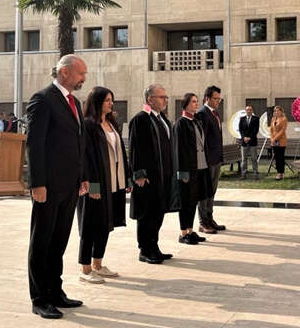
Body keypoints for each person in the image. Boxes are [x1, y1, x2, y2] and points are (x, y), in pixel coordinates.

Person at [26, 55, 89, 319]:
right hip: (48, 186)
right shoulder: (42, 99)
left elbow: (78, 143)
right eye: (80, 73)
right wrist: (37, 183)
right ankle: (40, 298)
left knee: (59, 241)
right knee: (42, 241)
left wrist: (82, 176)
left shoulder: (74, 102)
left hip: (70, 185)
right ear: (64, 72)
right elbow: (34, 145)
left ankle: (55, 291)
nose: (84, 78)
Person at [77, 87, 132, 284]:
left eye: (111, 100)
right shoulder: (88, 125)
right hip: (96, 183)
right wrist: (92, 185)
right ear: (97, 102)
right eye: (107, 100)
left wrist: (126, 178)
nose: (111, 103)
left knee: (105, 224)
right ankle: (85, 269)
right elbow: (85, 157)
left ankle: (98, 265)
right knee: (90, 225)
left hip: (113, 181)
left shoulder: (111, 123)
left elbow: (120, 152)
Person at [129, 83, 179, 264]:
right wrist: (139, 175)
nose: (165, 100)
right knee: (146, 214)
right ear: (150, 99)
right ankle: (144, 250)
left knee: (158, 212)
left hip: (163, 176)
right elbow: (135, 149)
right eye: (161, 97)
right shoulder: (141, 119)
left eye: (165, 97)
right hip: (148, 178)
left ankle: (154, 246)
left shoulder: (162, 119)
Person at [173, 93, 213, 245]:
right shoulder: (181, 123)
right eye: (194, 102)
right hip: (187, 170)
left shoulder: (196, 121)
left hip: (200, 167)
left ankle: (190, 230)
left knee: (194, 200)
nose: (197, 104)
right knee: (186, 201)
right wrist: (182, 172)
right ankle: (183, 233)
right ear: (186, 104)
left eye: (197, 101)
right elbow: (179, 149)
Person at [196, 85, 226, 234]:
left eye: (219, 99)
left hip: (216, 159)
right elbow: (202, 141)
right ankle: (203, 222)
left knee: (212, 191)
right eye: (215, 99)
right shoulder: (202, 114)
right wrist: (205, 160)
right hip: (207, 161)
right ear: (207, 98)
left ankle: (210, 218)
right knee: (204, 192)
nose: (218, 101)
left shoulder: (215, 113)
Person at [239, 105, 260, 179]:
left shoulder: (256, 119)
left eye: (250, 110)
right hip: (244, 142)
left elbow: (256, 130)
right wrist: (244, 137)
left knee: (254, 159)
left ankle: (255, 174)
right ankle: (243, 174)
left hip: (253, 142)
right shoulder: (242, 119)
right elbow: (241, 130)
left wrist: (250, 138)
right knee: (244, 159)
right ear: (245, 111)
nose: (249, 111)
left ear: (252, 111)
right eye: (247, 110)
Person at [269, 105, 288, 181]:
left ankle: (281, 173)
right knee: (276, 157)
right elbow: (271, 130)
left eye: (278, 110)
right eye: (275, 111)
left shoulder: (284, 119)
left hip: (281, 141)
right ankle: (278, 172)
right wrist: (271, 139)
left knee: (280, 157)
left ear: (281, 111)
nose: (276, 112)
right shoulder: (273, 119)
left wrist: (275, 138)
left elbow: (282, 131)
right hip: (274, 142)